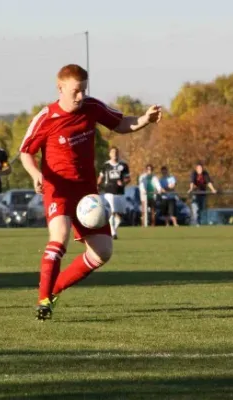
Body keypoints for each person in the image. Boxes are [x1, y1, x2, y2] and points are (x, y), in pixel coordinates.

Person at [19, 64, 162, 320]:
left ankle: (53, 291)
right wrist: (36, 174)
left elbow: (121, 124)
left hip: (86, 193)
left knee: (103, 252)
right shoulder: (46, 117)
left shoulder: (92, 107)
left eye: (84, 90)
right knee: (59, 237)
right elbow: (25, 151)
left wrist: (144, 120)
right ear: (60, 88)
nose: (80, 96)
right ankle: (43, 301)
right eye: (75, 91)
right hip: (58, 188)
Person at [97, 146, 130, 240]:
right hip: (109, 191)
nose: (114, 154)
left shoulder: (123, 165)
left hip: (120, 192)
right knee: (112, 211)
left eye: (116, 152)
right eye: (112, 152)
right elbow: (101, 177)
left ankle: (113, 230)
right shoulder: (105, 165)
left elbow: (128, 178)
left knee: (120, 215)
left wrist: (123, 182)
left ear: (118, 153)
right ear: (109, 154)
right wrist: (97, 185)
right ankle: (113, 232)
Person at [188, 161, 217, 226]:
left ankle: (201, 223)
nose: (200, 170)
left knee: (202, 209)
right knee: (195, 209)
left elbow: (208, 182)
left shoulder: (205, 173)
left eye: (201, 168)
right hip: (195, 194)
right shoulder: (194, 173)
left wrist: (213, 189)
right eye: (198, 168)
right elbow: (192, 182)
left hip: (203, 194)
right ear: (196, 169)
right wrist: (191, 189)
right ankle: (195, 223)